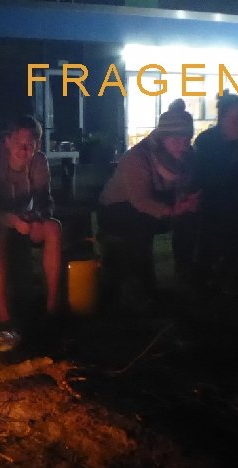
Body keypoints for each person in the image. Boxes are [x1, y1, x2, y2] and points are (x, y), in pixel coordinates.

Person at [96, 99, 200, 311]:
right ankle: (142, 287)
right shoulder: (138, 157)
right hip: (117, 209)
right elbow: (141, 201)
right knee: (141, 223)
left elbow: (186, 186)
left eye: (186, 138)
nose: (182, 145)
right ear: (163, 138)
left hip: (155, 207)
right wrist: (172, 210)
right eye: (176, 139)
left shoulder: (186, 156)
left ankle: (188, 272)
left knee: (192, 217)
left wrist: (187, 202)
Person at [0, 114, 62, 330]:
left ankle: (52, 305)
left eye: (30, 145)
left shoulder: (39, 162)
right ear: (8, 141)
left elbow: (45, 200)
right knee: (0, 233)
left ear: (37, 145)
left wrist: (37, 217)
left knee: (53, 227)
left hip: (26, 217)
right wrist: (12, 220)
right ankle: (1, 310)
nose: (24, 150)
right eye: (19, 143)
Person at [192, 93, 238, 290]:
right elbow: (202, 176)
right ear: (222, 118)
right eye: (235, 118)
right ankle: (207, 273)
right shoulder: (206, 141)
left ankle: (237, 270)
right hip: (213, 202)